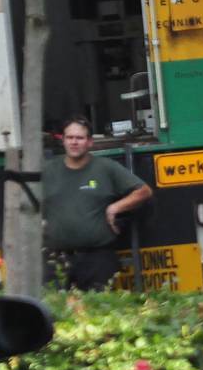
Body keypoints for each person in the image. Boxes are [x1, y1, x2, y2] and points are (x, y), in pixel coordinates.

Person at [42, 116, 152, 290]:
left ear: (90, 142)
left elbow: (144, 191)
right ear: (62, 141)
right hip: (56, 260)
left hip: (97, 259)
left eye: (80, 138)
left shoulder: (106, 168)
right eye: (70, 138)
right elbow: (27, 204)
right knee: (56, 312)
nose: (74, 142)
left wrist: (115, 207)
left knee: (97, 312)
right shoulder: (47, 170)